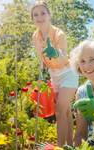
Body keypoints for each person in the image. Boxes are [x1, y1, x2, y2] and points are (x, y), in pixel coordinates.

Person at [31, 1, 79, 147]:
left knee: (59, 110)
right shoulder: (35, 36)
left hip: (68, 72)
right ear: (32, 19)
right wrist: (43, 73)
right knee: (65, 112)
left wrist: (56, 53)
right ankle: (70, 145)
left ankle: (59, 147)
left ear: (49, 15)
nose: (39, 17)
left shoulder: (59, 33)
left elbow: (64, 56)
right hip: (54, 75)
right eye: (35, 15)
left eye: (43, 13)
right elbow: (41, 58)